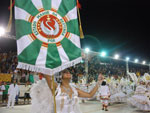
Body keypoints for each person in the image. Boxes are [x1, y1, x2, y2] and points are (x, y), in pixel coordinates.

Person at [30, 69, 104, 113]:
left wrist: (99, 82)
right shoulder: (56, 88)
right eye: (65, 72)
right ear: (60, 76)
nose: (68, 73)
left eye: (69, 72)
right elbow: (47, 75)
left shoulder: (75, 90)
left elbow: (90, 95)